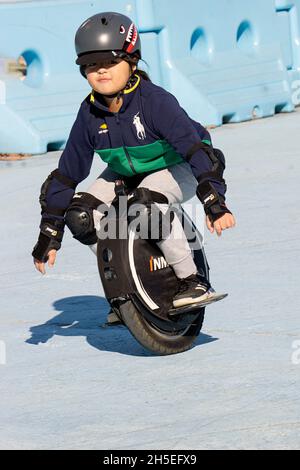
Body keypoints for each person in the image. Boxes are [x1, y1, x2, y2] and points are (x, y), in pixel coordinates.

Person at [32, 12, 236, 310]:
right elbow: (66, 174)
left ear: (132, 60)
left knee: (146, 206)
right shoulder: (89, 114)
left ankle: (192, 280)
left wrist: (214, 201)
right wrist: (50, 231)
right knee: (80, 215)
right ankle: (128, 287)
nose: (100, 71)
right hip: (127, 170)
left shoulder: (155, 101)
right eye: (91, 65)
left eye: (110, 62)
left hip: (177, 163)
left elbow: (195, 152)